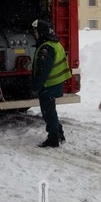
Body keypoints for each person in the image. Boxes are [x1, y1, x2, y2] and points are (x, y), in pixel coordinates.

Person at [31, 19, 72, 148]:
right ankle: (59, 133)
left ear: (42, 32)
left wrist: (35, 87)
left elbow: (43, 71)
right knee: (51, 111)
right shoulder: (55, 44)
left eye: (36, 31)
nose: (35, 34)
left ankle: (53, 138)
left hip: (49, 85)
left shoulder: (46, 48)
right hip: (55, 83)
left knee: (48, 112)